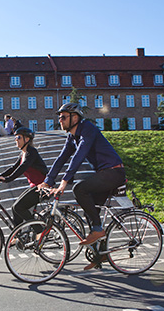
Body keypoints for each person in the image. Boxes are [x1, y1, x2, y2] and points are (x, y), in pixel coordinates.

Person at [38, 103, 125, 269]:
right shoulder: (72, 137)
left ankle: (98, 230)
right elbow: (61, 159)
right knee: (90, 212)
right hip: (104, 173)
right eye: (59, 117)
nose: (60, 121)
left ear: (75, 117)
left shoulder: (87, 129)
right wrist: (48, 180)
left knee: (79, 188)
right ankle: (101, 255)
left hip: (114, 172)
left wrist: (64, 182)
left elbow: (79, 155)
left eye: (63, 117)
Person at [0, 127, 48, 231]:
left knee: (19, 207)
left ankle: (39, 231)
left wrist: (7, 179)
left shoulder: (31, 152)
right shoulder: (23, 153)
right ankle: (17, 235)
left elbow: (22, 167)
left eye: (18, 137)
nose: (16, 140)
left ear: (26, 139)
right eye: (15, 138)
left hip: (42, 187)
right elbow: (13, 168)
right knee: (15, 208)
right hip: (34, 187)